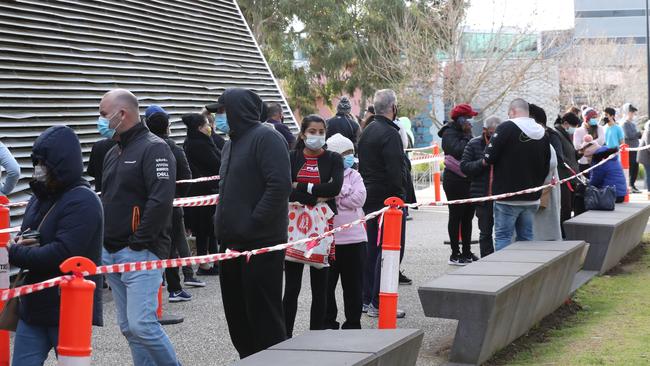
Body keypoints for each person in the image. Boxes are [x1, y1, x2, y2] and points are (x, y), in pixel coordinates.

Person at [8, 125, 103, 366]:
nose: (39, 168)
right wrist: (22, 243)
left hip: (68, 307)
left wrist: (16, 252)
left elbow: (64, 254)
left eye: (43, 163)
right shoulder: (39, 197)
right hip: (34, 304)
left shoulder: (83, 200)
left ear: (59, 164)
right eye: (36, 161)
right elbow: (27, 234)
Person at [99, 89, 180, 365]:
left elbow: (161, 200)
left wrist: (139, 240)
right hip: (112, 252)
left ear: (122, 114)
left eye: (103, 115)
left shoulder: (155, 147)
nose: (100, 121)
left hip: (141, 253)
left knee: (142, 325)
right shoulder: (113, 152)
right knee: (129, 328)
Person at [214, 88, 292, 358]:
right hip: (230, 245)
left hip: (260, 246)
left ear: (238, 111)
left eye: (222, 111)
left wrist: (252, 224)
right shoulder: (229, 144)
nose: (218, 118)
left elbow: (279, 186)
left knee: (265, 320)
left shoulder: (266, 138)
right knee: (238, 318)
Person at [284, 115, 343, 337]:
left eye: (321, 132)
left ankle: (315, 336)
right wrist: (315, 195)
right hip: (294, 229)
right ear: (302, 134)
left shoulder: (334, 159)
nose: (316, 136)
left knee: (321, 290)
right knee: (291, 289)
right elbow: (284, 188)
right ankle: (285, 336)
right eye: (312, 131)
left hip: (322, 229)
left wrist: (300, 186)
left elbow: (335, 188)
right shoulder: (292, 157)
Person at [145, 105, 205, 300]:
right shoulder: (173, 148)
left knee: (151, 245)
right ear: (167, 126)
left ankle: (156, 285)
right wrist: (176, 196)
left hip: (148, 206)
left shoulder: (142, 147)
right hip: (171, 205)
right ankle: (175, 287)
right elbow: (186, 177)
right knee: (172, 245)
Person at [357, 89, 405, 318]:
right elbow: (395, 171)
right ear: (393, 108)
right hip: (387, 200)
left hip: (369, 197)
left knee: (372, 250)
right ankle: (379, 300)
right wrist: (399, 198)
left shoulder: (367, 131)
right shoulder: (390, 134)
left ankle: (367, 298)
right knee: (390, 251)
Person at [484, 98, 550, 250]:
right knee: (526, 237)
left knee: (503, 237)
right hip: (532, 196)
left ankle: (503, 271)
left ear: (513, 112)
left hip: (507, 196)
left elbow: (489, 157)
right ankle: (525, 271)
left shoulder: (506, 127)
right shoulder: (541, 133)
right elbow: (547, 163)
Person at [324, 133, 366, 330]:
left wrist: (339, 197)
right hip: (329, 241)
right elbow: (327, 193)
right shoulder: (325, 174)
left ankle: (353, 322)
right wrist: (342, 193)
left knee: (353, 287)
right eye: (345, 153)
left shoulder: (355, 175)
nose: (349, 157)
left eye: (351, 152)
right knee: (326, 287)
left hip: (355, 240)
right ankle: (328, 321)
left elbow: (359, 199)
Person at [438, 104, 477, 265]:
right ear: (461, 119)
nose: (471, 122)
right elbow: (459, 150)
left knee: (468, 217)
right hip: (454, 180)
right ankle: (455, 253)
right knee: (456, 216)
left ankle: (467, 252)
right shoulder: (449, 133)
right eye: (469, 118)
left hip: (469, 179)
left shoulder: (466, 132)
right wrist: (468, 137)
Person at [182, 113, 221, 276]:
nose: (209, 127)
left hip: (202, 190)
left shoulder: (193, 141)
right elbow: (216, 163)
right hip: (206, 190)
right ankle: (210, 263)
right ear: (199, 128)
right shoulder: (199, 144)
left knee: (205, 229)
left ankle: (208, 262)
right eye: (206, 124)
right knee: (208, 229)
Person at [460, 115, 501, 258]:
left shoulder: (505, 144)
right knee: (485, 233)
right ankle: (487, 261)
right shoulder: (474, 144)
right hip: (483, 197)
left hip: (502, 197)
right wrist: (482, 163)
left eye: (498, 132)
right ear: (485, 130)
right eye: (492, 132)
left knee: (503, 233)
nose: (495, 136)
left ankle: (503, 262)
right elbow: (464, 166)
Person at [529, 105, 562, 241]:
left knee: (543, 232)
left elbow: (554, 161)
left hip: (544, 193)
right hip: (539, 193)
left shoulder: (546, 139)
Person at [554, 113, 581, 232]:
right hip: (564, 176)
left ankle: (565, 230)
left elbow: (570, 154)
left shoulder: (565, 135)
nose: (574, 129)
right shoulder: (557, 134)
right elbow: (560, 157)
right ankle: (563, 231)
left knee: (569, 206)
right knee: (565, 206)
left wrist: (579, 154)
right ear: (565, 124)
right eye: (573, 126)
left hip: (571, 175)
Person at [573, 107, 605, 173]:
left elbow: (601, 141)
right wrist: (593, 145)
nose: (595, 119)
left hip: (598, 160)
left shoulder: (599, 128)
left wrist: (586, 144)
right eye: (593, 117)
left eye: (596, 117)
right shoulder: (579, 130)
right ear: (586, 119)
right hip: (584, 162)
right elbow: (577, 146)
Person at [621, 103, 641, 193]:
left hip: (635, 148)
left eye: (633, 112)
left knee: (635, 167)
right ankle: (630, 185)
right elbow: (629, 135)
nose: (632, 114)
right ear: (627, 112)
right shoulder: (624, 124)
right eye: (631, 112)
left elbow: (636, 135)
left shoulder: (632, 124)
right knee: (631, 167)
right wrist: (638, 134)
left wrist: (638, 134)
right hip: (630, 149)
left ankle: (632, 185)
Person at [638, 119, 650, 196]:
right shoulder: (648, 132)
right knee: (649, 174)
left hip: (646, 156)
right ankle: (649, 192)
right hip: (645, 156)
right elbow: (648, 146)